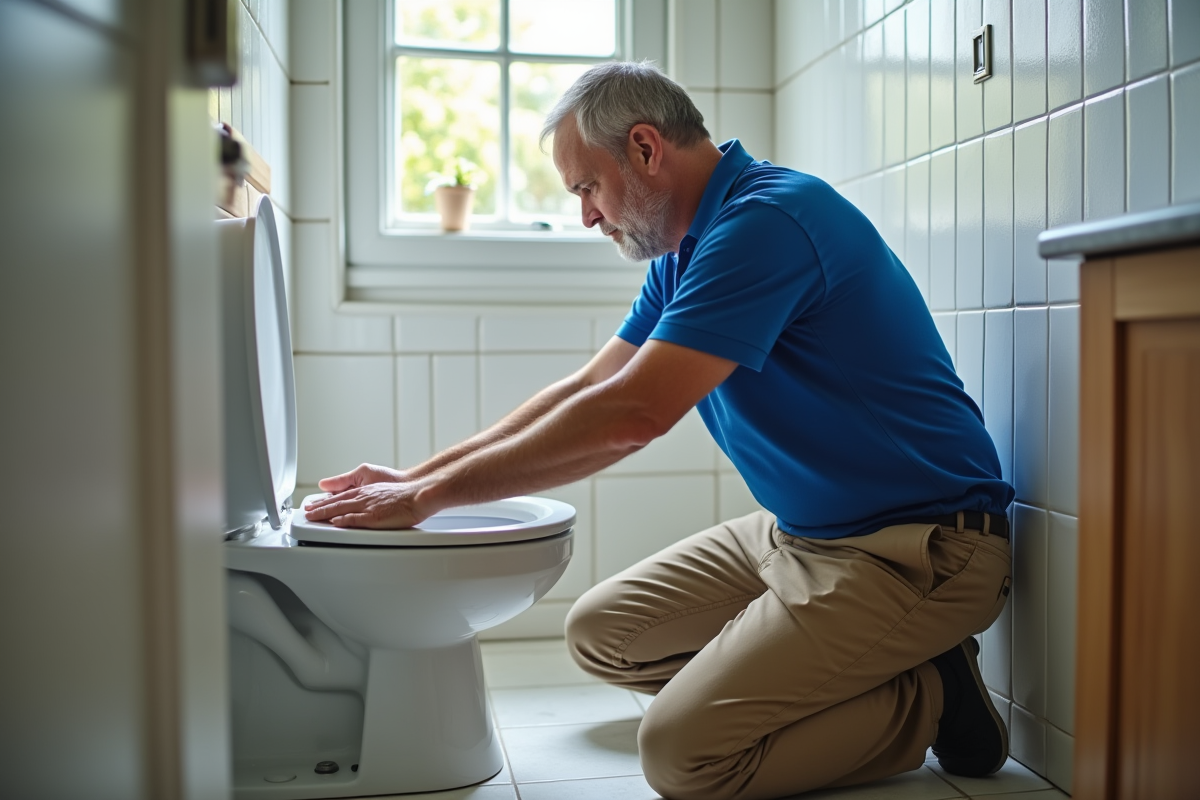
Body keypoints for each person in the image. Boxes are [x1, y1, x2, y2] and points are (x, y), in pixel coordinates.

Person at [303, 61, 1014, 800]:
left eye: (587, 187)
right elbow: (589, 388)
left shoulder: (767, 222)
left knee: (687, 758)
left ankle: (927, 694)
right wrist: (417, 479)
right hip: (801, 536)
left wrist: (432, 499)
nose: (585, 215)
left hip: (920, 547)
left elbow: (630, 416)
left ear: (645, 148)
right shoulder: (688, 249)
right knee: (603, 634)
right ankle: (865, 659)